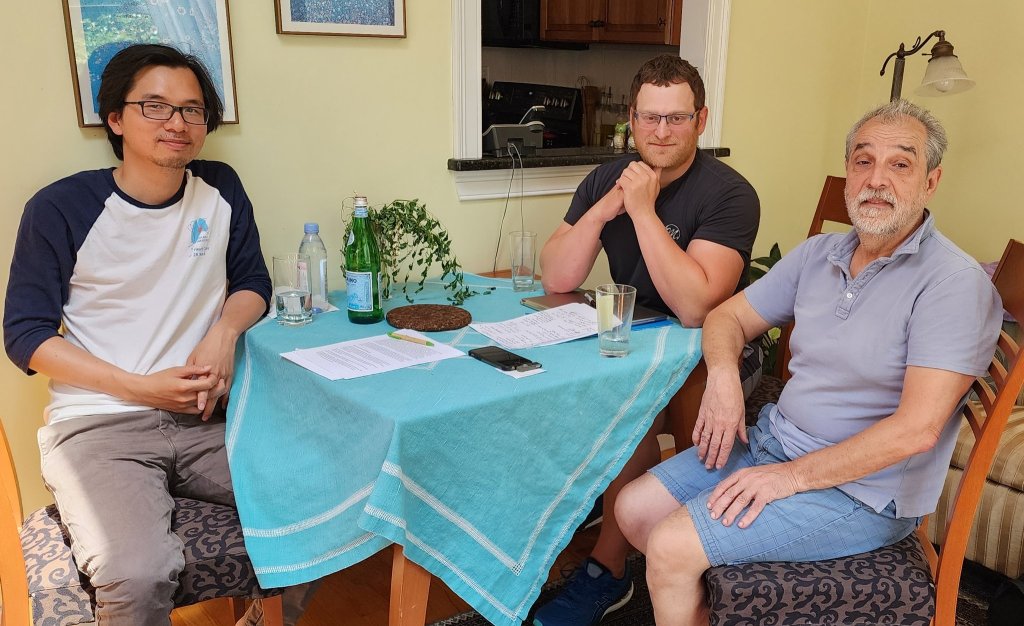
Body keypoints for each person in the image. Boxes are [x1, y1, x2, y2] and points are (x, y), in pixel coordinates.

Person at [615, 99, 1004, 626]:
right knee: (634, 510)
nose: (877, 179)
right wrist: (724, 379)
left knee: (671, 545)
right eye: (863, 161)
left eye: (900, 164)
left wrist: (789, 478)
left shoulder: (953, 285)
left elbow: (916, 431)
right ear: (848, 172)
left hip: (863, 492)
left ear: (930, 182)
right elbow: (725, 318)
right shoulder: (821, 253)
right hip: (774, 443)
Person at [3, 44, 314, 625]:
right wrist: (139, 387)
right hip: (98, 426)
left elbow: (253, 282)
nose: (177, 122)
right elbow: (25, 334)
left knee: (317, 501)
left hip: (206, 418)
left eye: (192, 109)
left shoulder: (220, 188)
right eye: (155, 106)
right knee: (138, 571)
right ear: (115, 119)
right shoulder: (59, 207)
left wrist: (224, 332)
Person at [533, 54, 760, 626]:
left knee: (642, 413)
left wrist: (641, 212)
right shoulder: (608, 179)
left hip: (716, 353)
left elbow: (697, 306)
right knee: (560, 390)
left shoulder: (730, 194)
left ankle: (609, 571)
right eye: (650, 118)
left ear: (700, 120)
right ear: (631, 120)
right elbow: (556, 277)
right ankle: (575, 527)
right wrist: (604, 210)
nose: (661, 132)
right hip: (633, 341)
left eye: (676, 118)